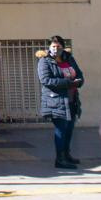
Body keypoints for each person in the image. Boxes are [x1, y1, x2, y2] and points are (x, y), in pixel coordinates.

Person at [37, 35, 84, 169]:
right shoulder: (44, 61)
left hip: (72, 100)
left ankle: (67, 154)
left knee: (69, 129)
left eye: (58, 46)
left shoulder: (69, 59)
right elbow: (46, 80)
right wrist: (67, 83)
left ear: (63, 47)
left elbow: (79, 74)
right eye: (53, 46)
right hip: (56, 100)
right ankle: (60, 159)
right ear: (49, 47)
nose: (56, 49)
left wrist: (79, 82)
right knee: (61, 130)